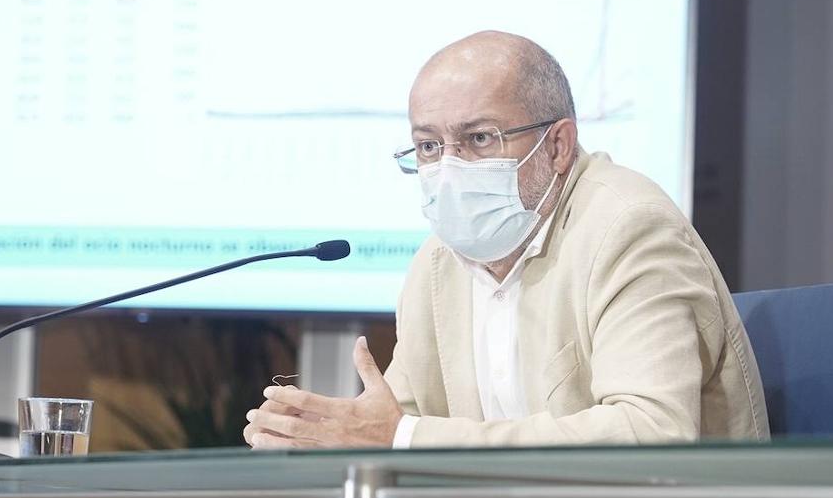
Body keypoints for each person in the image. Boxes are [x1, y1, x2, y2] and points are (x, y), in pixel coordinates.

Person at [244, 31, 769, 448]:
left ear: (558, 145)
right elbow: (389, 425)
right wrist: (323, 437)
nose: (448, 168)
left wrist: (402, 437)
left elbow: (651, 432)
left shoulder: (629, 229)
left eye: (478, 139)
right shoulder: (436, 266)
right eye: (428, 146)